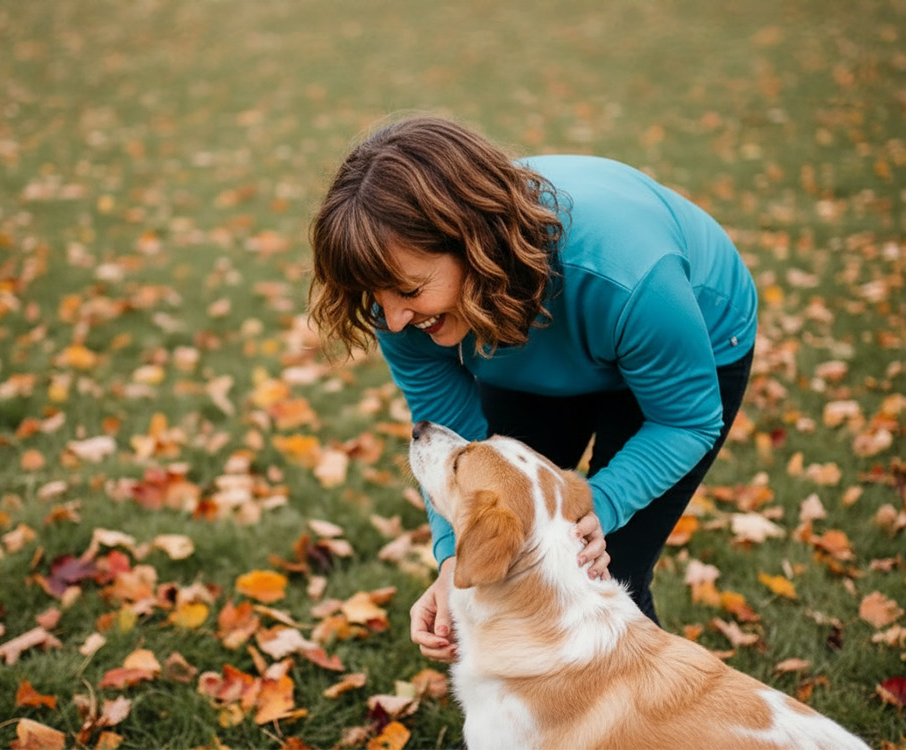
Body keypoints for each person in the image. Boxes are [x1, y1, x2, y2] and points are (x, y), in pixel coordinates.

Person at [307, 114, 757, 662]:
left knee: (609, 569)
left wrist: (600, 503)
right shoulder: (401, 307)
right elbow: (459, 449)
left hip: (681, 339)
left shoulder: (631, 277)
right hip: (522, 341)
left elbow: (685, 420)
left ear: (474, 244)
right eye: (376, 295)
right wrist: (453, 561)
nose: (394, 320)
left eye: (409, 289)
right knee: (508, 560)